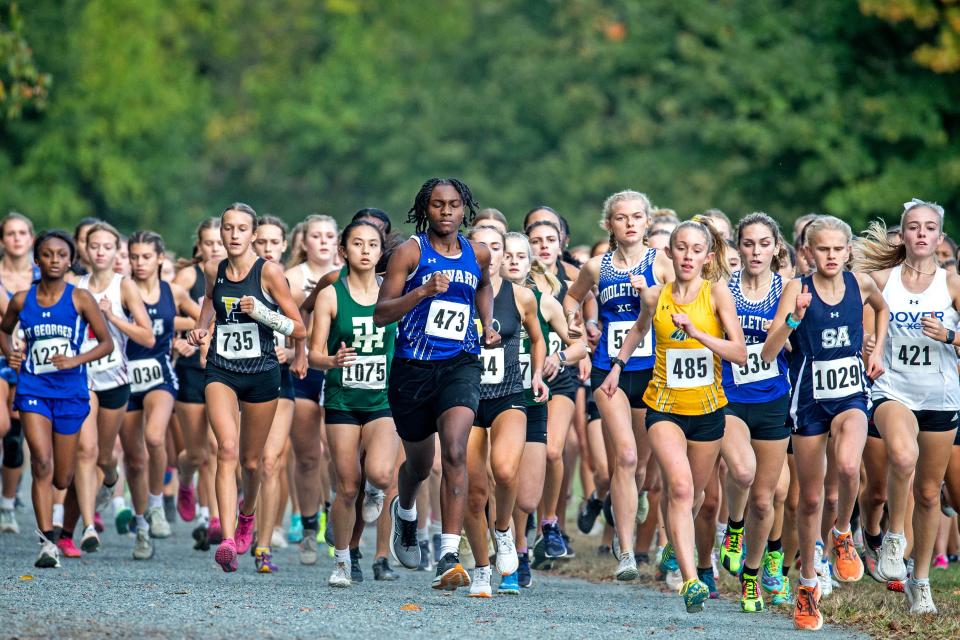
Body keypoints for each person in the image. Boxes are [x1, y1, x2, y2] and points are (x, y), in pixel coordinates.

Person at [600, 216, 746, 613]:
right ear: (669, 252)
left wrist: (697, 333)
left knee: (694, 494)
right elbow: (637, 330)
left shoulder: (716, 294)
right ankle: (690, 580)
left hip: (708, 410)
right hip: (663, 406)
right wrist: (616, 366)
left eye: (696, 250)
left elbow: (740, 352)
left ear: (708, 256)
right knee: (679, 488)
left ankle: (674, 547)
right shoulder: (655, 295)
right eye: (681, 248)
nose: (687, 256)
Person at [761, 215, 887, 631]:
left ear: (848, 251)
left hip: (851, 394)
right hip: (809, 402)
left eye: (838, 249)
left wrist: (876, 352)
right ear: (808, 252)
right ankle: (808, 587)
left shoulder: (861, 284)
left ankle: (843, 534)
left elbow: (882, 309)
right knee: (810, 499)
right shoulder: (797, 288)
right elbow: (768, 351)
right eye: (823, 249)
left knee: (851, 467)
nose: (831, 256)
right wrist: (794, 319)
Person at [374, 177, 497, 590]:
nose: (447, 212)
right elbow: (381, 313)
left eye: (454, 205)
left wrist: (486, 323)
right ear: (424, 209)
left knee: (457, 450)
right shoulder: (411, 252)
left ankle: (447, 551)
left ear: (466, 209)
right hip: (413, 370)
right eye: (438, 205)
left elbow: (484, 286)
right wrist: (422, 291)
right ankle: (404, 511)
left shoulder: (477, 252)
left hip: (461, 364)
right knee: (419, 465)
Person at [855, 199, 960, 614]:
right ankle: (893, 538)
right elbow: (862, 329)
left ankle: (920, 582)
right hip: (892, 390)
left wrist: (949, 337)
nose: (921, 234)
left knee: (931, 493)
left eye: (929, 228)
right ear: (903, 233)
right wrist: (867, 345)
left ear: (939, 236)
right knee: (902, 455)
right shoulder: (881, 280)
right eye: (913, 227)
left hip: (940, 395)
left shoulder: (952, 284)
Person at [188, 203, 306, 573]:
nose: (234, 235)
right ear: (221, 233)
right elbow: (209, 300)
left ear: (253, 234)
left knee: (252, 462)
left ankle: (247, 516)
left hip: (262, 372)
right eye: (228, 228)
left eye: (242, 229)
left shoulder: (269, 272)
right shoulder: (213, 268)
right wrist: (202, 327)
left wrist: (262, 313)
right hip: (221, 368)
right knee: (226, 448)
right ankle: (226, 540)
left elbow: (298, 329)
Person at [564, 190, 674, 580]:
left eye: (637, 217)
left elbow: (679, 311)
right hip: (607, 370)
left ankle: (632, 498)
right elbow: (571, 298)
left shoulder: (664, 265)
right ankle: (626, 552)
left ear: (647, 222)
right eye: (621, 217)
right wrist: (581, 326)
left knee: (642, 469)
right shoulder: (596, 267)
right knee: (624, 458)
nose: (630, 223)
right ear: (608, 224)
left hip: (652, 371)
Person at [0, 230, 115, 567]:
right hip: (34, 388)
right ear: (37, 260)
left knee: (63, 477)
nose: (54, 260)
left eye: (61, 255)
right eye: (47, 254)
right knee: (42, 462)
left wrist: (75, 360)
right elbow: (4, 332)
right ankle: (46, 542)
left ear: (70, 261)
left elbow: (106, 343)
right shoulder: (22, 299)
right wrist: (11, 355)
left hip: (70, 392)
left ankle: (69, 524)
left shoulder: (80, 298)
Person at [309, 220, 401, 587]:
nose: (365, 250)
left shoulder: (394, 294)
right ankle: (343, 560)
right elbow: (314, 354)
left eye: (372, 245)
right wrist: (331, 360)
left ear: (381, 253)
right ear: (343, 251)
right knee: (347, 486)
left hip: (383, 399)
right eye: (357, 244)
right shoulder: (331, 295)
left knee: (379, 474)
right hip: (343, 400)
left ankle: (375, 493)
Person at [462, 225, 548, 597]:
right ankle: (482, 568)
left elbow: (539, 336)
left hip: (509, 393)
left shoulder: (521, 296)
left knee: (505, 469)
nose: (491, 254)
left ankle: (504, 532)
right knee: (474, 489)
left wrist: (539, 374)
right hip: (465, 397)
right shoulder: (458, 293)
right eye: (483, 246)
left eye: (497, 247)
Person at [501, 231, 587, 591]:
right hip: (496, 402)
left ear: (529, 262)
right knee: (498, 479)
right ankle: (514, 549)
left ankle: (519, 538)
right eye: (507, 255)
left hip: (533, 401)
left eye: (521, 256)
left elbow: (580, 344)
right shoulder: (479, 300)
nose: (515, 261)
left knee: (527, 496)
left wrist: (559, 356)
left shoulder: (546, 301)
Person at [716, 213, 792, 612]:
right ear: (738, 248)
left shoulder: (788, 288)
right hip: (730, 396)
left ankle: (752, 573)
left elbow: (779, 346)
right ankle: (733, 527)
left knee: (766, 501)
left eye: (764, 243)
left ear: (776, 247)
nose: (756, 251)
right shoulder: (722, 289)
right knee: (741, 470)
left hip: (773, 398)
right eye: (748, 243)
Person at [75, 222, 156, 559]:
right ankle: (88, 526)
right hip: (83, 378)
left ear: (115, 252)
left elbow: (147, 336)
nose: (100, 252)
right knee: (85, 450)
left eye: (107, 247)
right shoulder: (75, 287)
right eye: (94, 246)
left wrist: (112, 317)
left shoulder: (125, 287)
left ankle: (121, 494)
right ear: (85, 250)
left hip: (117, 379)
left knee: (113, 456)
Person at [122, 231, 200, 558]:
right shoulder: (121, 290)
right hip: (124, 376)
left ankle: (155, 505)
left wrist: (189, 342)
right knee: (135, 460)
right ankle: (141, 528)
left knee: (155, 438)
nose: (140, 263)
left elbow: (203, 320)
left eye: (146, 257)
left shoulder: (174, 291)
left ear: (159, 259)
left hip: (159, 374)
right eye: (134, 257)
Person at [285, 214, 339, 563]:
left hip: (340, 368)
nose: (322, 241)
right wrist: (295, 351)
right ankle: (308, 526)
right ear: (304, 242)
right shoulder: (291, 277)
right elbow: (288, 322)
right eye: (316, 236)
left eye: (329, 236)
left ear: (338, 242)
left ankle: (335, 512)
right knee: (307, 455)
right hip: (303, 368)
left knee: (337, 452)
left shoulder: (347, 276)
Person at [172, 218, 224, 548]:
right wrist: (197, 324)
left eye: (220, 243)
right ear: (199, 247)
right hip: (191, 368)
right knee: (196, 452)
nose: (216, 248)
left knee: (217, 447)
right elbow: (166, 310)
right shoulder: (189, 276)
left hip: (223, 367)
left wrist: (208, 329)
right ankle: (185, 479)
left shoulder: (238, 276)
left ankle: (215, 516)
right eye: (209, 243)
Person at [0, 213, 39, 535]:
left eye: (22, 233)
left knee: (15, 437)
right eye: (10, 233)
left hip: (33, 361)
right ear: (2, 240)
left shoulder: (44, 274)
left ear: (31, 238)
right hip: (1, 357)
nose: (16, 238)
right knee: (1, 425)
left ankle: (8, 505)